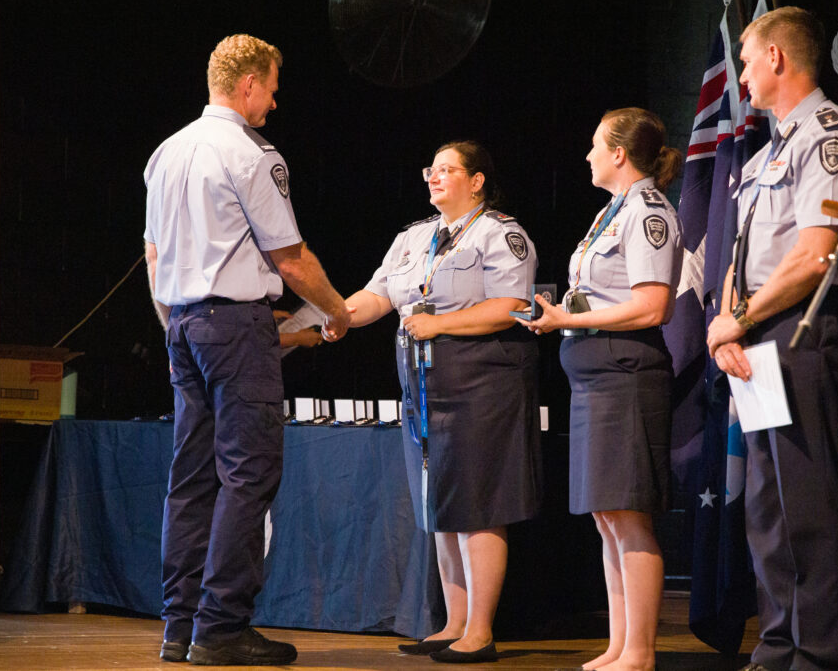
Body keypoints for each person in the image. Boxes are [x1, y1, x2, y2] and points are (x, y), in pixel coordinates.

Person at [143, 33, 350, 666]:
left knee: (191, 479)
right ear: (249, 85)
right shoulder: (252, 154)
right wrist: (337, 311)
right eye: (273, 90)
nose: (275, 104)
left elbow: (154, 254)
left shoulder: (165, 152)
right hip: (232, 330)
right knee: (248, 473)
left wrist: (179, 320)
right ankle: (221, 626)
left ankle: (179, 627)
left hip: (180, 323)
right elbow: (290, 256)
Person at [705, 7, 838, 671]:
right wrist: (723, 328)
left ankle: (822, 652)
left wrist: (737, 320)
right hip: (757, 335)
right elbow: (742, 254)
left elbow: (813, 255)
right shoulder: (771, 147)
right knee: (770, 505)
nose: (741, 75)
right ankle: (779, 642)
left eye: (746, 60)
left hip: (802, 331)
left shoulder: (829, 134)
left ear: (776, 58)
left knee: (807, 501)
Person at [344, 141, 542, 663]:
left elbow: (512, 305)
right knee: (442, 505)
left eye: (447, 169)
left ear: (476, 181)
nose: (434, 176)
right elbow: (379, 294)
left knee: (478, 505)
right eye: (431, 169)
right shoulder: (413, 237)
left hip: (481, 386)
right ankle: (452, 622)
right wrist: (336, 314)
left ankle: (480, 630)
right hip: (424, 390)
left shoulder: (502, 234)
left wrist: (440, 324)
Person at [520, 107, 683, 671]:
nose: (587, 155)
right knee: (606, 515)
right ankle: (618, 644)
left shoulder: (647, 212)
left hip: (627, 377)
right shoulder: (611, 212)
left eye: (595, 145)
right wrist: (558, 313)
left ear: (619, 153)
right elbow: (603, 297)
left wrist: (571, 322)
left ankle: (639, 652)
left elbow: (652, 304)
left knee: (630, 513)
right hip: (594, 378)